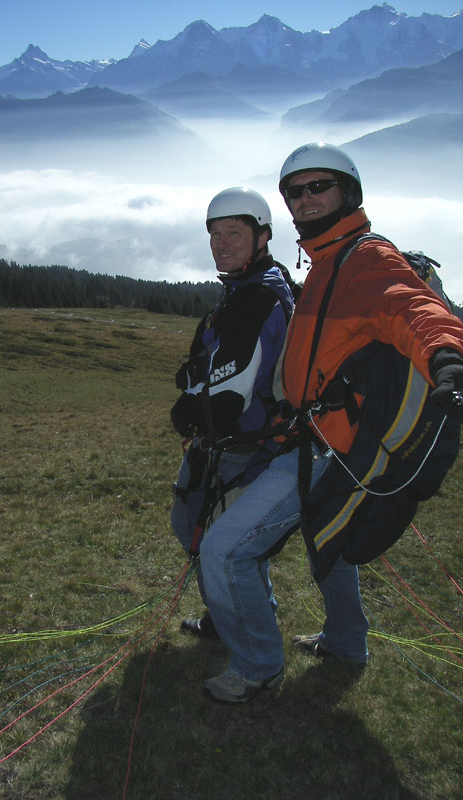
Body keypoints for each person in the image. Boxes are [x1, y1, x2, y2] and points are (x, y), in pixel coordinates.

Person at [198, 142, 463, 704]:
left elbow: (414, 308)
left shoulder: (366, 260)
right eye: (295, 191)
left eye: (319, 186)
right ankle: (346, 642)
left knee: (224, 549)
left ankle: (257, 668)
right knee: (329, 540)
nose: (306, 198)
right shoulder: (324, 261)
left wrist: (446, 357)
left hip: (330, 447)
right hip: (311, 436)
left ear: (349, 191)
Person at [170, 187, 295, 637]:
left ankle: (235, 627)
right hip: (243, 439)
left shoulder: (257, 298)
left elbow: (228, 396)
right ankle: (239, 613)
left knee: (205, 535)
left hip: (240, 443)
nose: (222, 243)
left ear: (262, 237)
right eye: (215, 234)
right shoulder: (255, 286)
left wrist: (188, 408)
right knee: (212, 533)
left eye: (234, 233)